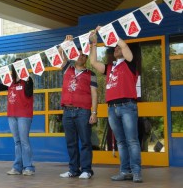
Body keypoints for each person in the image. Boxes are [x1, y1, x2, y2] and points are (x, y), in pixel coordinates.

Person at [89, 29, 143, 183]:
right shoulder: (110, 67)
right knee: (121, 142)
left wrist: (108, 31)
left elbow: (124, 46)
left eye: (118, 47)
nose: (116, 48)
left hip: (127, 105)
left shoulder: (130, 63)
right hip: (112, 108)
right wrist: (93, 43)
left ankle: (136, 172)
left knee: (132, 140)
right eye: (115, 48)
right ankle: (125, 171)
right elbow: (93, 62)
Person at [58, 35, 98, 179]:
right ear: (74, 56)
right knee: (71, 142)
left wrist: (94, 112)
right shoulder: (67, 68)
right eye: (79, 54)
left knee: (86, 142)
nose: (81, 57)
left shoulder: (91, 74)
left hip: (83, 112)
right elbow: (59, 53)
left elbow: (94, 94)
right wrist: (66, 42)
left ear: (86, 59)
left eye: (84, 55)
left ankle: (86, 170)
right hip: (67, 111)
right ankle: (73, 170)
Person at [0, 58, 35, 176]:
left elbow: (29, 93)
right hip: (12, 115)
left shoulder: (27, 79)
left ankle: (29, 167)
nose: (18, 66)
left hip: (24, 115)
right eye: (15, 64)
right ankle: (17, 167)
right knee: (17, 142)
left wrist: (26, 79)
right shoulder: (10, 81)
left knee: (24, 141)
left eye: (20, 64)